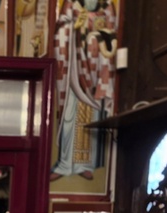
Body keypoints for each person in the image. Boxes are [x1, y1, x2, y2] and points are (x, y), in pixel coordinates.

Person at [50, 0, 116, 181]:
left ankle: (84, 165)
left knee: (91, 118)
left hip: (95, 70)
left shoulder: (107, 5)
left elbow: (112, 34)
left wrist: (94, 30)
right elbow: (60, 28)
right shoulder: (71, 3)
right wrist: (74, 26)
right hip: (72, 68)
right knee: (68, 115)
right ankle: (65, 164)